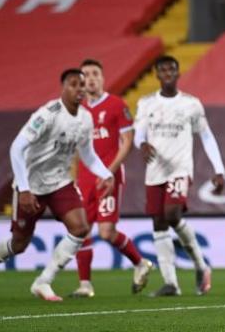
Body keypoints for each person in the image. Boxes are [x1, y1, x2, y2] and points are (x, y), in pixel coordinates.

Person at [0, 69, 115, 301]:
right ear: (63, 87)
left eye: (82, 85)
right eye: (74, 84)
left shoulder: (85, 117)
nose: (79, 89)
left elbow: (88, 154)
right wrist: (23, 188)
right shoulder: (47, 114)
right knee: (20, 243)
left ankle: (43, 281)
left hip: (60, 182)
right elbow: (16, 148)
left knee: (80, 228)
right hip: (30, 184)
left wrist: (107, 174)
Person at [134, 55, 225, 297]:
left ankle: (201, 266)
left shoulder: (191, 104)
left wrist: (219, 169)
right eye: (162, 69)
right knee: (159, 223)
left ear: (177, 73)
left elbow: (206, 136)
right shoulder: (146, 103)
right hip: (154, 171)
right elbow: (138, 134)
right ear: (156, 74)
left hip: (180, 169)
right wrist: (141, 144)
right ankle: (171, 283)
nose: (167, 73)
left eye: (171, 69)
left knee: (171, 214)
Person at [70, 58, 154, 298]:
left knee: (106, 232)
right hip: (84, 179)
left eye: (96, 73)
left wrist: (109, 171)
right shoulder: (78, 110)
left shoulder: (117, 105)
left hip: (110, 175)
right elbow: (76, 147)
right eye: (86, 74)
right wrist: (74, 177)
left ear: (103, 77)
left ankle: (140, 263)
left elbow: (127, 142)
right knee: (80, 230)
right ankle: (85, 285)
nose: (91, 77)